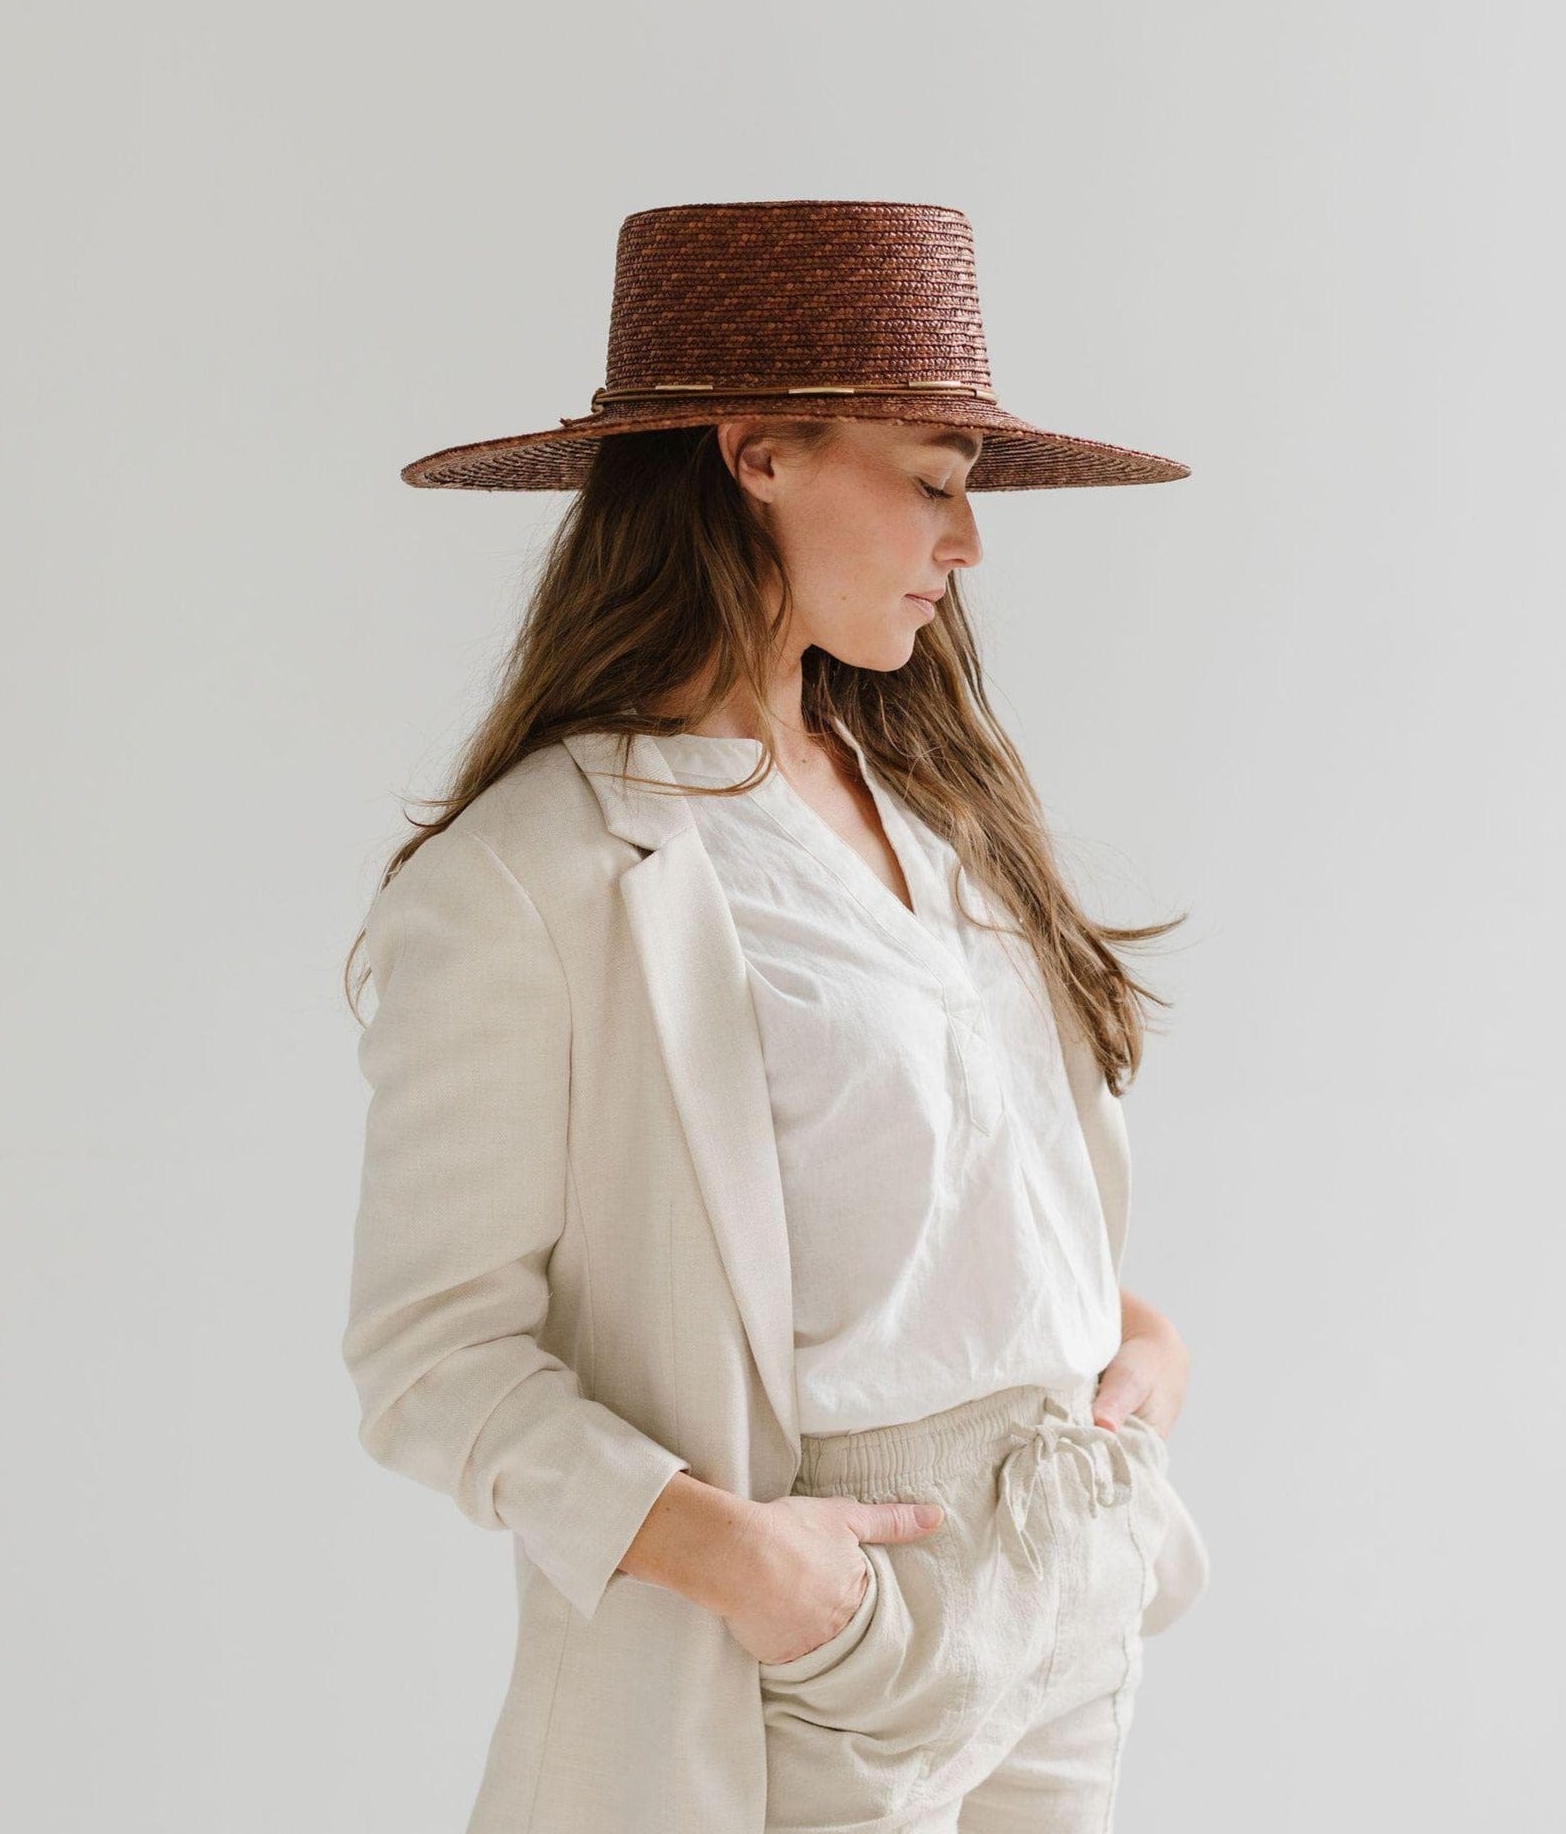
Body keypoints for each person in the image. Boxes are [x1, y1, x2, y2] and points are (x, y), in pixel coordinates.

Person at [341, 199, 1212, 1834]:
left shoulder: (940, 810)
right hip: (818, 1656)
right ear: (758, 456)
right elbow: (430, 1357)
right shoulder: (539, 875)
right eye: (939, 483)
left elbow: (947, 1190)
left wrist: (1129, 1339)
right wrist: (744, 1562)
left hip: (1069, 1590)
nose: (968, 549)